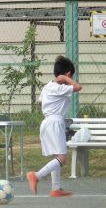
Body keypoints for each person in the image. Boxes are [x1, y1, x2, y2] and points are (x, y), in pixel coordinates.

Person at [27, 56, 82, 197]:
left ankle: (56, 188)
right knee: (62, 158)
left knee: (57, 155)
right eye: (70, 75)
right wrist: (66, 79)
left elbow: (40, 102)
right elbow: (78, 87)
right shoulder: (59, 87)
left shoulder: (47, 86)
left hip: (46, 121)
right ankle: (36, 175)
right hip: (55, 121)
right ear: (68, 74)